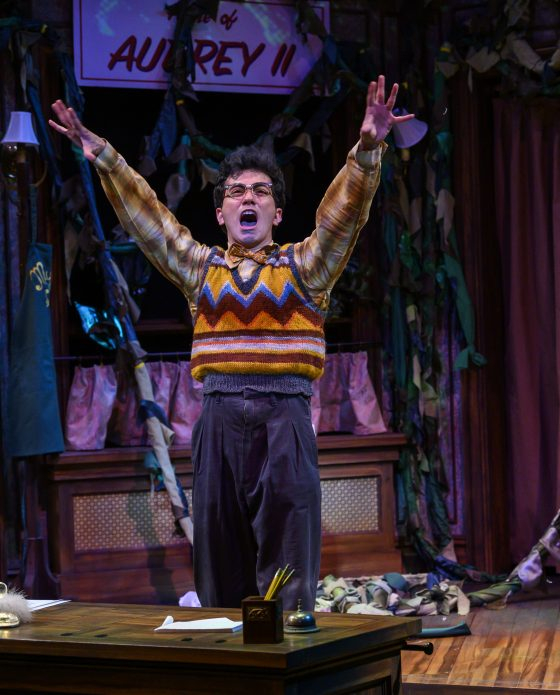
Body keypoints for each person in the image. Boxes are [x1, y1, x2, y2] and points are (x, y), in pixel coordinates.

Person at [49, 76, 413, 610]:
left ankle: (288, 653)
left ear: (276, 213)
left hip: (285, 418)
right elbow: (151, 222)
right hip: (218, 419)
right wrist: (105, 157)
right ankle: (226, 652)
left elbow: (342, 220)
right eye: (236, 192)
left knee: (288, 560)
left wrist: (366, 152)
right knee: (220, 561)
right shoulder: (202, 270)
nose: (249, 198)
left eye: (261, 192)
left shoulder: (305, 268)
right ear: (220, 213)